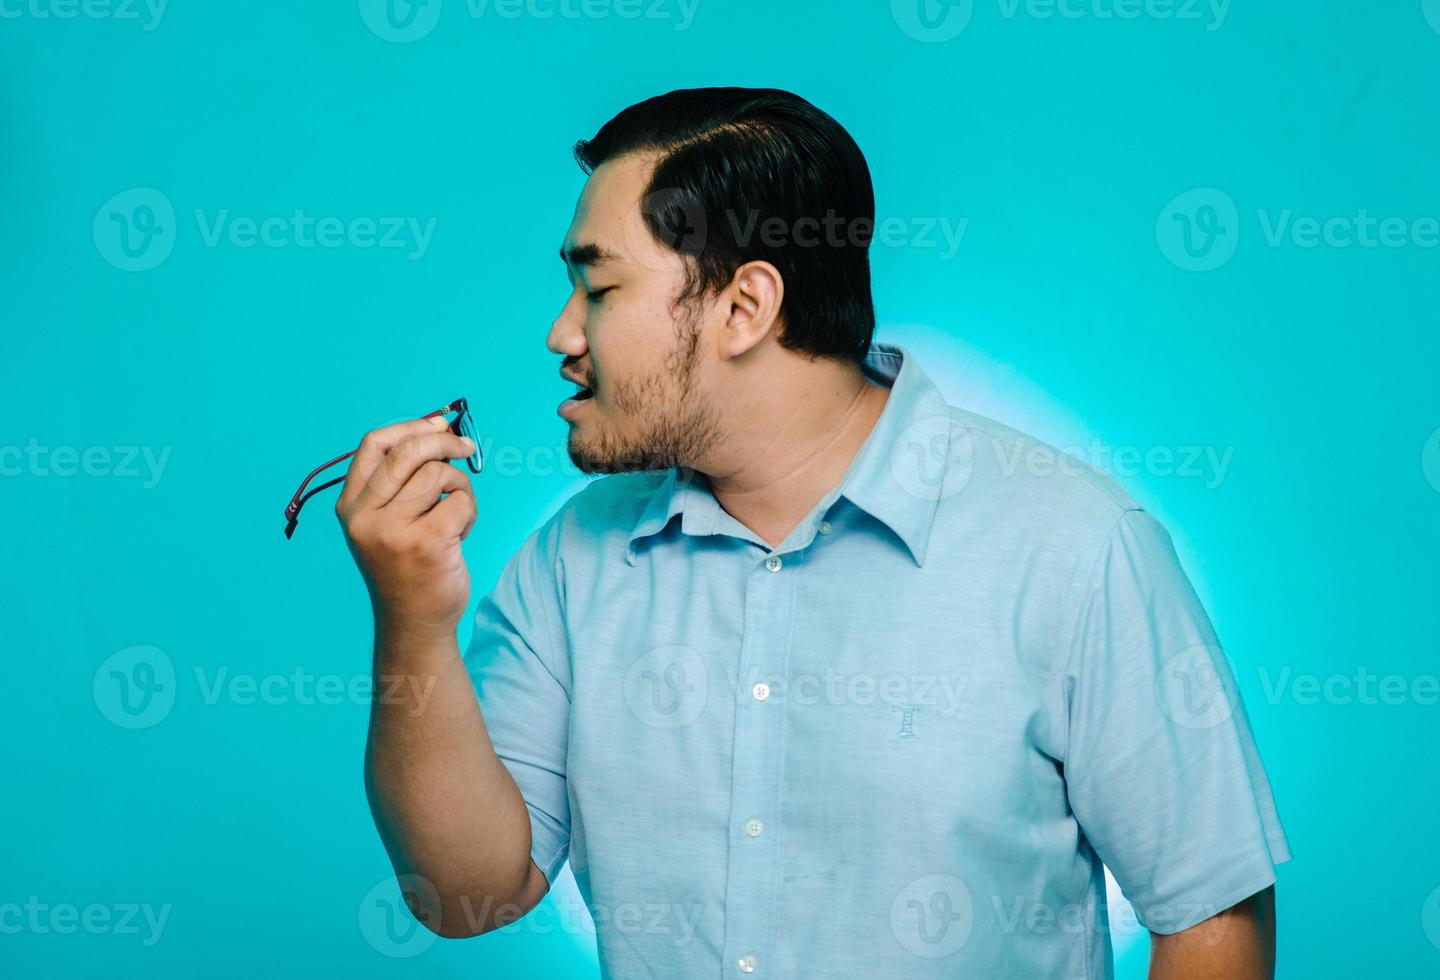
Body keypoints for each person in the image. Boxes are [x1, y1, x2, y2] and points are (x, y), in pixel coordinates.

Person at [339, 86, 1290, 978]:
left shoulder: (1074, 548)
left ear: (745, 306)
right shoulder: (568, 563)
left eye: (599, 288)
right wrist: (413, 618)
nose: (561, 334)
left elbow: (1211, 910)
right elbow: (467, 896)